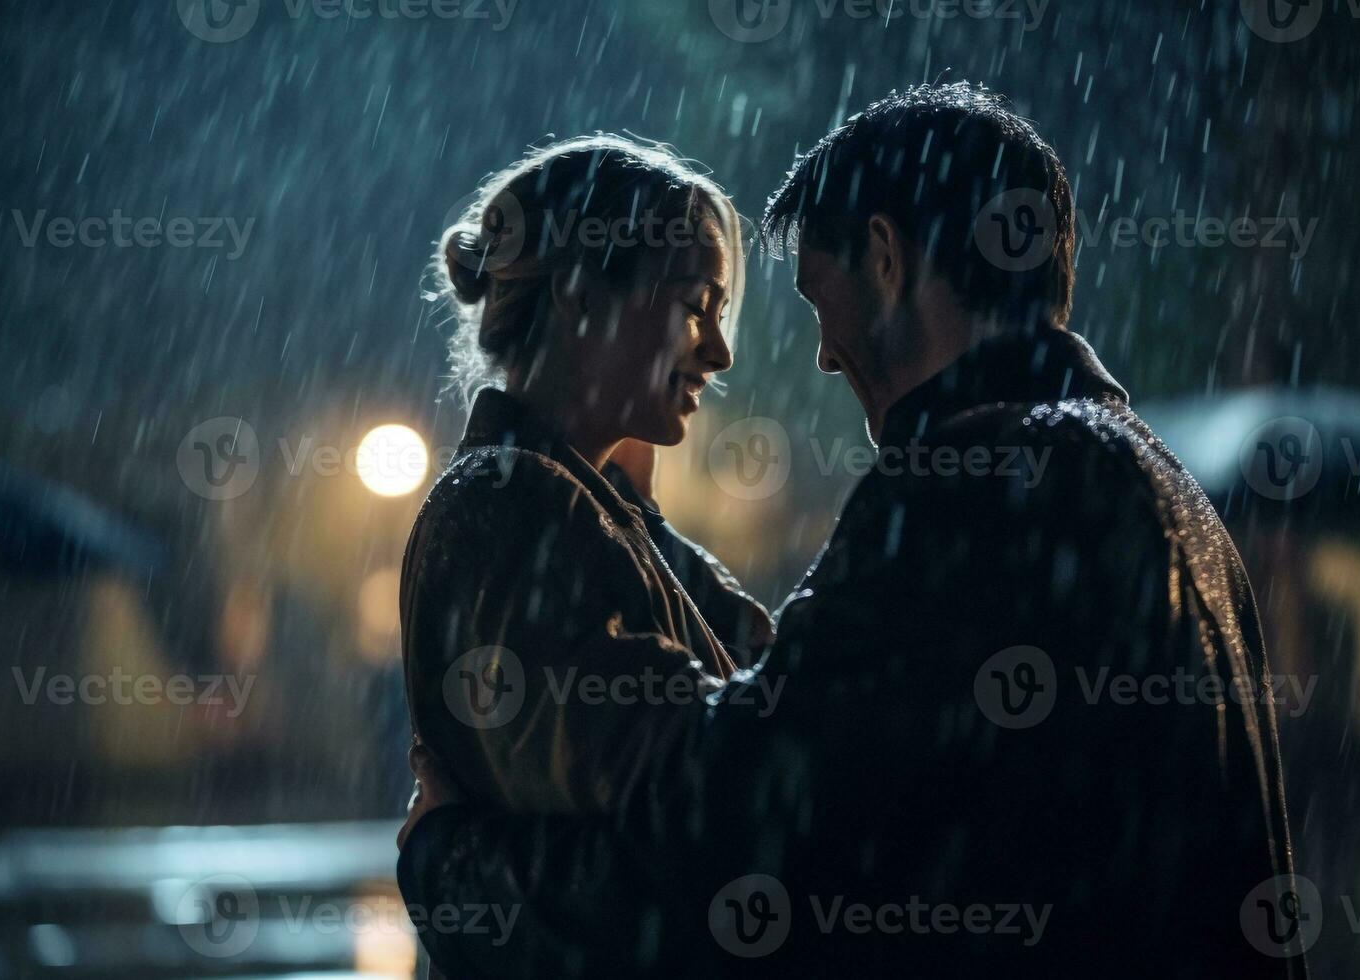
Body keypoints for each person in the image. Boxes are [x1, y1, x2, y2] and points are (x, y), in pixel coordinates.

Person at [397, 82, 1306, 979]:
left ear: (883, 259)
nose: (826, 353)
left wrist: (450, 863)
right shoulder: (1152, 483)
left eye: (817, 299)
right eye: (697, 307)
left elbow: (741, 829)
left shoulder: (969, 490)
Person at [400, 135, 770, 822]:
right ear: (577, 293)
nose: (718, 353)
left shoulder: (561, 502)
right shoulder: (512, 505)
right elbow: (690, 786)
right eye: (695, 306)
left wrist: (641, 522)